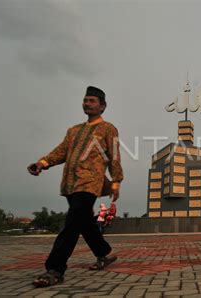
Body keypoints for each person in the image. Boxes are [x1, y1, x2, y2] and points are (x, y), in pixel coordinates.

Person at [27, 86, 123, 287]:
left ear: (102, 106)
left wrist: (115, 182)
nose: (87, 103)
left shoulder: (108, 129)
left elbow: (114, 157)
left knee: (71, 224)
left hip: (90, 182)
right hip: (70, 183)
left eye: (92, 101)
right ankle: (104, 253)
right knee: (85, 223)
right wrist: (42, 164)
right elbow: (60, 152)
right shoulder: (74, 131)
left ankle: (55, 269)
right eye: (85, 100)